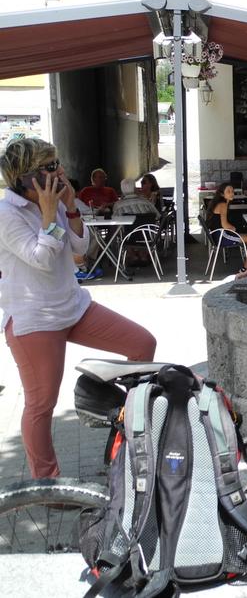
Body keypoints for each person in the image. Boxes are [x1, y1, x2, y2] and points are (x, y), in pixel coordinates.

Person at [0, 138, 157, 478]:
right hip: (35, 320)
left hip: (73, 306)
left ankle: (129, 439)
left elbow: (81, 250)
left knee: (142, 344)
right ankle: (48, 485)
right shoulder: (7, 214)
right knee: (41, 406)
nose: (60, 171)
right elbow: (41, 259)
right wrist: (46, 214)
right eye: (50, 166)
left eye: (57, 163)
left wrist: (70, 208)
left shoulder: (54, 201)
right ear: (25, 176)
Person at [206, 182, 247, 265]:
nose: (232, 193)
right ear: (221, 194)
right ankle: (245, 269)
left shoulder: (219, 203)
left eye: (232, 191)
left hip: (217, 236)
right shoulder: (223, 205)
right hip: (222, 237)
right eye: (228, 191)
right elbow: (225, 225)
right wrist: (234, 229)